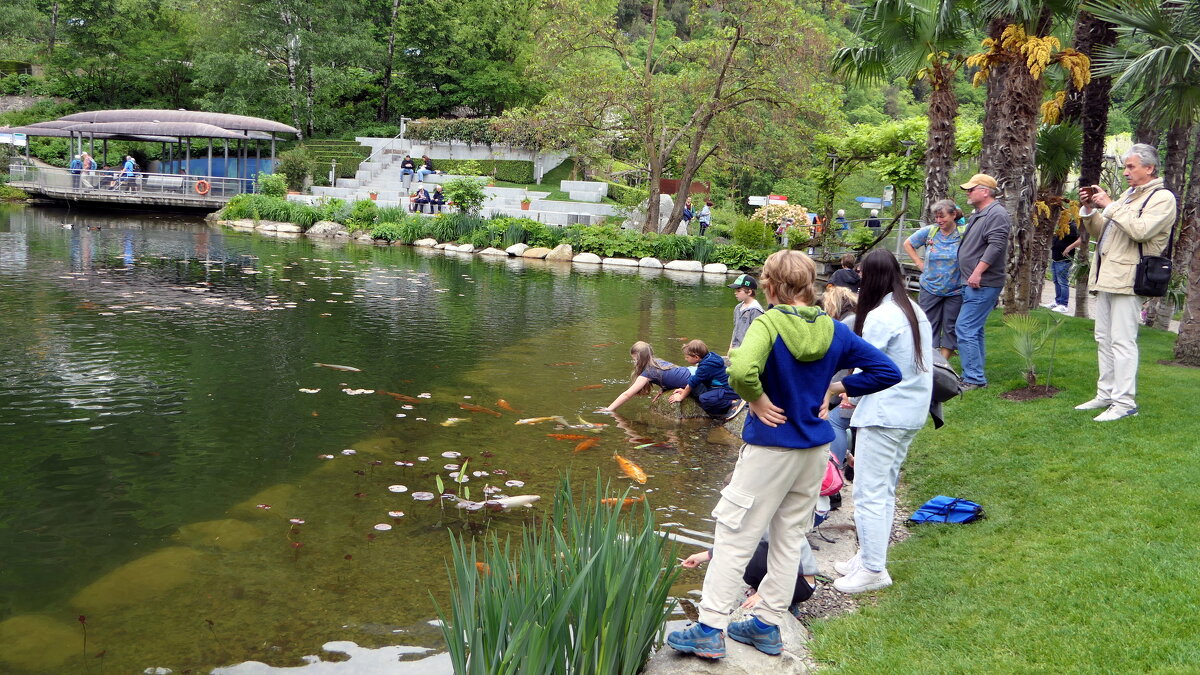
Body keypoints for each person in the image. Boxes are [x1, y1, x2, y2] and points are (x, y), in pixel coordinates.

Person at [666, 250, 900, 661]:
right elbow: (887, 371)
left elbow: (740, 372)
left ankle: (709, 628)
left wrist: (755, 400)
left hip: (769, 450)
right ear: (810, 284)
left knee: (735, 536)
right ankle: (767, 624)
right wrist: (836, 390)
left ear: (770, 286)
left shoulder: (768, 323)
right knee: (790, 535)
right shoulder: (833, 329)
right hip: (814, 450)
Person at [830, 249, 932, 594]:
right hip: (910, 411)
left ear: (869, 277)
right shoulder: (914, 309)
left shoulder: (880, 315)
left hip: (886, 413)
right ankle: (868, 557)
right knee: (883, 488)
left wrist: (846, 393)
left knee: (869, 491)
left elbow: (867, 363)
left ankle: (874, 569)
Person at [1075, 143, 1177, 422]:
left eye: (1131, 166)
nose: (1125, 172)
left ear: (1149, 168)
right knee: (1103, 339)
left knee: (1122, 341)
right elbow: (1103, 232)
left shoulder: (1162, 197)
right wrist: (1089, 210)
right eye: (1125, 167)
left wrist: (1110, 205)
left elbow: (1140, 231)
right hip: (1108, 275)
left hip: (1130, 278)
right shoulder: (1128, 196)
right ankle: (1106, 394)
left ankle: (1124, 402)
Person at [955, 173, 1010, 390]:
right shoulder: (980, 213)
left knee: (965, 327)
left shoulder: (996, 214)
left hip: (982, 282)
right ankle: (973, 374)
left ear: (985, 191)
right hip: (973, 282)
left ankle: (974, 379)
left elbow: (996, 246)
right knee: (973, 329)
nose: (968, 193)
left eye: (971, 189)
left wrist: (977, 272)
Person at [681, 539, 816, 621]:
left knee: (745, 558)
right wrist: (706, 555)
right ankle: (789, 603)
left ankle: (774, 598)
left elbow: (740, 547)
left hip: (796, 583)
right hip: (803, 584)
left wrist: (764, 592)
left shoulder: (765, 515)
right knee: (747, 554)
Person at [903, 199, 966, 359]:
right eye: (936, 217)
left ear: (953, 215)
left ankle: (942, 363)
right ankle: (929, 360)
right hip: (930, 288)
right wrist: (919, 262)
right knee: (927, 325)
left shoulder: (964, 233)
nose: (939, 221)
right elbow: (908, 243)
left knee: (951, 327)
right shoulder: (930, 231)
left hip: (956, 290)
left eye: (942, 217)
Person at [822, 283, 858, 465]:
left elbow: (836, 362)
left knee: (835, 423)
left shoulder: (845, 324)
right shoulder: (856, 318)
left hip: (844, 385)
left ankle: (835, 466)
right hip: (850, 384)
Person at [601, 342, 693, 413]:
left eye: (635, 360)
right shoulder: (658, 362)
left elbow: (627, 394)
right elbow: (671, 375)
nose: (634, 363)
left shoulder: (648, 372)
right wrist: (664, 388)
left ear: (640, 359)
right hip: (692, 371)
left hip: (695, 379)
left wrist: (609, 409)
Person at [669, 340, 741, 418]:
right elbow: (695, 381)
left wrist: (681, 397)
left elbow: (691, 383)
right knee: (696, 387)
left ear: (696, 357)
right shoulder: (710, 357)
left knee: (705, 399)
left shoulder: (706, 367)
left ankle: (732, 403)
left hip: (729, 390)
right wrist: (685, 391)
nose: (685, 359)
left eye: (687, 357)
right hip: (719, 387)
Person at [1043, 221, 1080, 313]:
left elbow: (1080, 239)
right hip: (1056, 257)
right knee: (1056, 281)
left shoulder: (1073, 226)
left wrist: (1069, 248)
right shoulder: (1061, 225)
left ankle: (1063, 304)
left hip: (1064, 259)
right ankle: (1057, 301)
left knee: (1063, 282)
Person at [728, 274, 764, 351]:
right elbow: (735, 330)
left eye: (738, 291)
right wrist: (730, 348)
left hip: (747, 350)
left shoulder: (755, 310)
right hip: (735, 349)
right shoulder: (738, 308)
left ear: (749, 292)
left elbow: (757, 335)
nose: (735, 293)